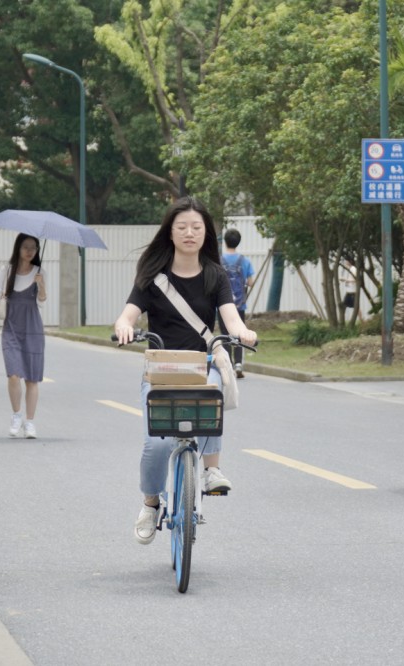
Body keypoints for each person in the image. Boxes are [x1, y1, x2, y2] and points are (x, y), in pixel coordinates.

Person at [114, 197, 257, 546]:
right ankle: (151, 503)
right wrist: (124, 327)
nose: (189, 233)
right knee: (156, 446)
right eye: (182, 227)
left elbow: (231, 317)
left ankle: (211, 470)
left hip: (201, 364)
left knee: (211, 397)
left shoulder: (215, 275)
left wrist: (243, 332)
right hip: (161, 370)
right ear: (171, 232)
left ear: (206, 233)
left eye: (196, 227)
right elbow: (127, 315)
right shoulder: (152, 277)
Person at [0, 234, 47, 439]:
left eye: (34, 248)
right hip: (11, 328)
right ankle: (16, 415)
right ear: (18, 248)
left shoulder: (39, 272)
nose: (30, 251)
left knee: (32, 379)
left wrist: (41, 285)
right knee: (13, 374)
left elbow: (42, 301)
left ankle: (30, 422)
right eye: (26, 247)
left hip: (33, 329)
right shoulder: (7, 270)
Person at [218, 228, 255, 378]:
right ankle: (238, 364)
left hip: (221, 305)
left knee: (225, 334)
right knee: (241, 333)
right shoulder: (244, 261)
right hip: (240, 305)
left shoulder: (219, 261)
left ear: (225, 242)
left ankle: (228, 364)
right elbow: (251, 282)